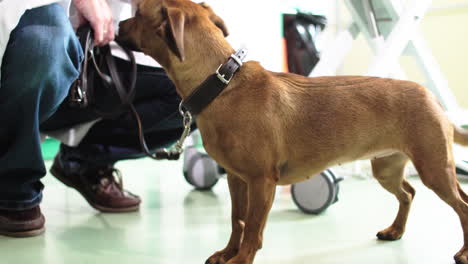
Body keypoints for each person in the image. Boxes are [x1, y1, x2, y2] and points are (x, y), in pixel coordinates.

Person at [0, 0, 186, 237]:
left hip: (93, 53)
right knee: (46, 38)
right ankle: (13, 186)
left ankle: (83, 162)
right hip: (26, 41)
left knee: (197, 91)